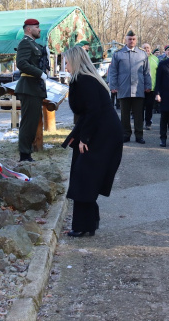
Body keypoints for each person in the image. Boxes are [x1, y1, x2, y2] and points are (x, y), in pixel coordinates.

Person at [62, 46, 123, 237]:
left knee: (84, 178)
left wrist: (84, 138)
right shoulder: (85, 79)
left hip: (102, 134)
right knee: (85, 178)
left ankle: (82, 226)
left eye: (66, 61)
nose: (65, 65)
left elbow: (92, 111)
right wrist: (75, 136)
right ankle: (87, 224)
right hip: (102, 130)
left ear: (74, 61)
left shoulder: (84, 81)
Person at [109, 30, 151, 143]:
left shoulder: (142, 54)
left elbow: (147, 72)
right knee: (124, 114)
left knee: (138, 114)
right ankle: (125, 134)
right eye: (129, 39)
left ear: (136, 40)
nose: (131, 41)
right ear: (125, 40)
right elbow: (113, 71)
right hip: (124, 88)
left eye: (133, 39)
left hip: (138, 88)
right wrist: (113, 86)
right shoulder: (118, 54)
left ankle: (139, 135)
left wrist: (148, 85)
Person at [15, 18, 49, 161]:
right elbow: (21, 63)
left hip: (34, 87)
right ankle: (24, 154)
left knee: (33, 121)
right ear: (29, 29)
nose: (39, 29)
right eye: (37, 27)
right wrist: (39, 73)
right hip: (28, 86)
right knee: (28, 122)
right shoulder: (25, 43)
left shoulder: (34, 44)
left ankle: (27, 152)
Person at [143, 43, 159, 130]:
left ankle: (148, 122)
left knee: (149, 106)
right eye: (144, 48)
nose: (147, 49)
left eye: (148, 48)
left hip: (152, 88)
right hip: (140, 88)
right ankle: (139, 122)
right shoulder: (139, 58)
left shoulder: (156, 59)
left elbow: (159, 74)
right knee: (140, 107)